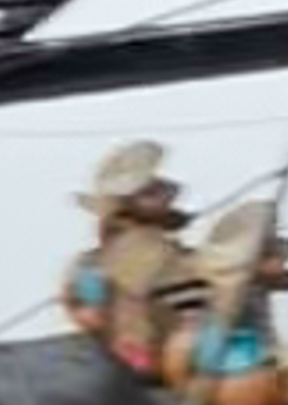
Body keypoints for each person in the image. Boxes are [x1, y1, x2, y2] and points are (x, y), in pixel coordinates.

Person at [162, 197, 288, 405]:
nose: (282, 262)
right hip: (230, 378)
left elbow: (279, 284)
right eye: (272, 255)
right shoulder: (225, 292)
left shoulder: (251, 284)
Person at [64, 140, 194, 375]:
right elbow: (189, 306)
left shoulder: (93, 261)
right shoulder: (148, 249)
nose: (164, 198)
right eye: (150, 193)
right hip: (159, 360)